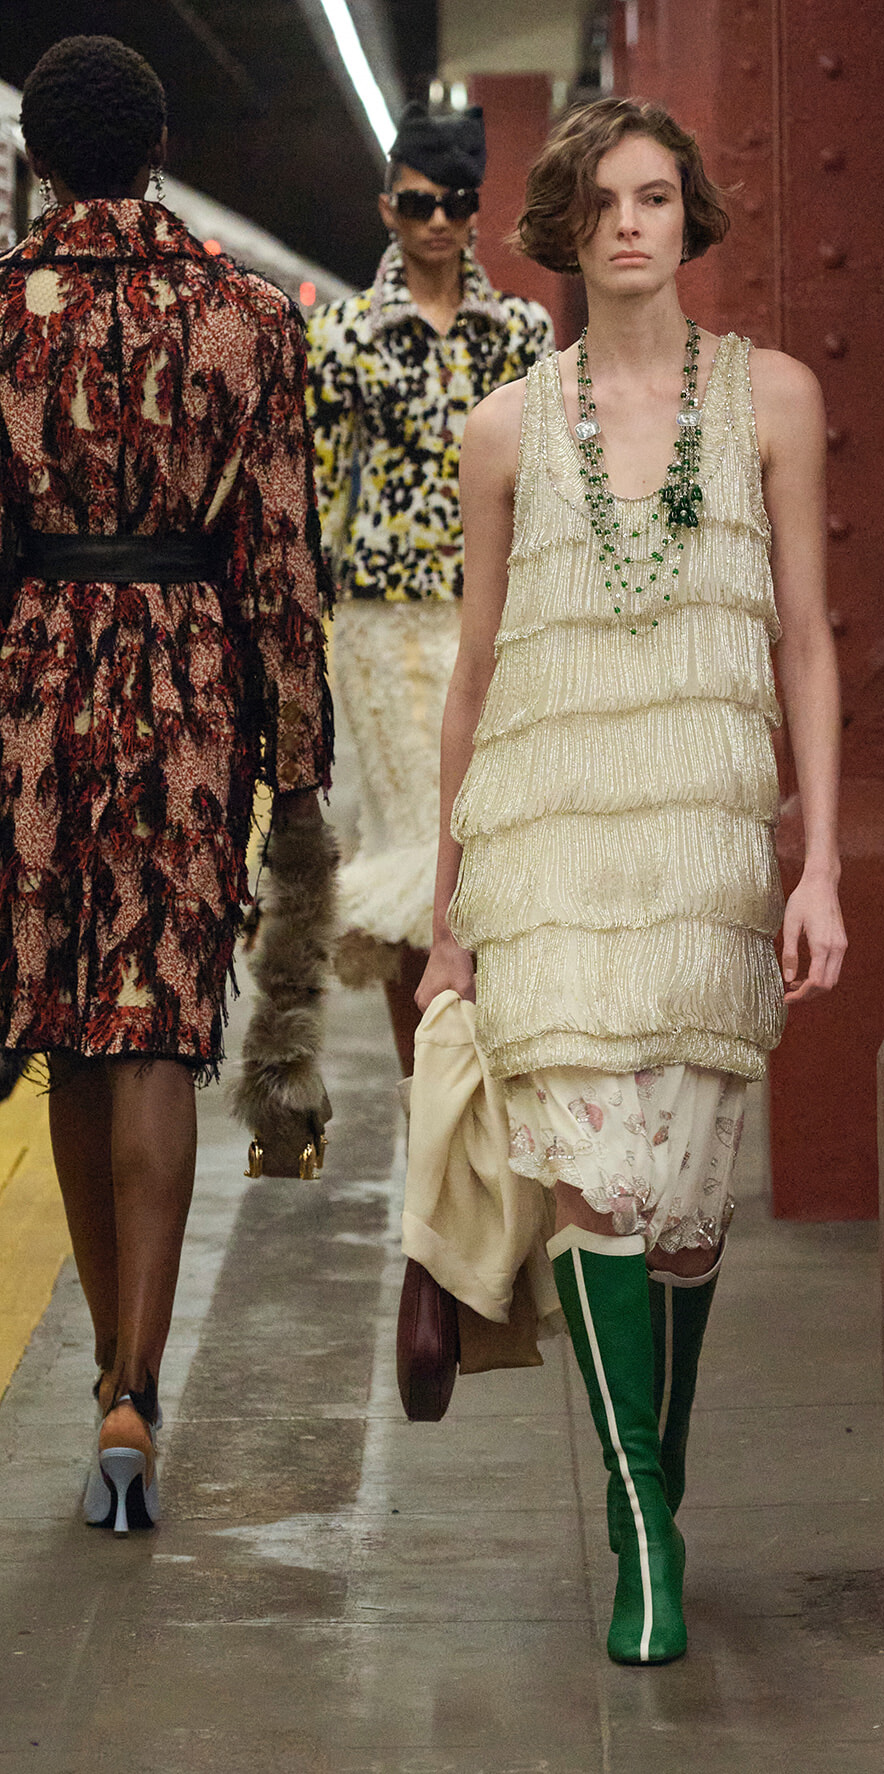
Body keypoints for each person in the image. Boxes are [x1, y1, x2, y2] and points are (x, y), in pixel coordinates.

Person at [417, 97, 846, 1664]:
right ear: (560, 226)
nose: (628, 225)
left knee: (685, 1214)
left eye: (654, 197)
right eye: (600, 202)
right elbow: (473, 675)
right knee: (593, 1181)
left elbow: (808, 641)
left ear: (690, 215)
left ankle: (654, 1475)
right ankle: (643, 1526)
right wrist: (451, 914)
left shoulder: (775, 399)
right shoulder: (505, 430)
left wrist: (821, 862)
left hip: (707, 843)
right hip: (547, 841)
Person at [0, 36, 333, 1532]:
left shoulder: (2, 311)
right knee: (155, 1030)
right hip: (191, 683)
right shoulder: (247, 315)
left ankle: (101, 1386)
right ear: (158, 151)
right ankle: (141, 1380)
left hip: (36, 685)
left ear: (39, 161)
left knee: (71, 1028)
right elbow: (282, 559)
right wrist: (299, 771)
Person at [307, 100, 553, 1076]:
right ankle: (433, 1099)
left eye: (455, 201)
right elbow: (319, 485)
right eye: (418, 204)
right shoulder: (342, 335)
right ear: (387, 207)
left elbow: (551, 482)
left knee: (499, 845)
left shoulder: (522, 334)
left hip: (506, 620)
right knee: (423, 845)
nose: (438, 220)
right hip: (385, 628)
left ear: (476, 208)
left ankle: (493, 1091)